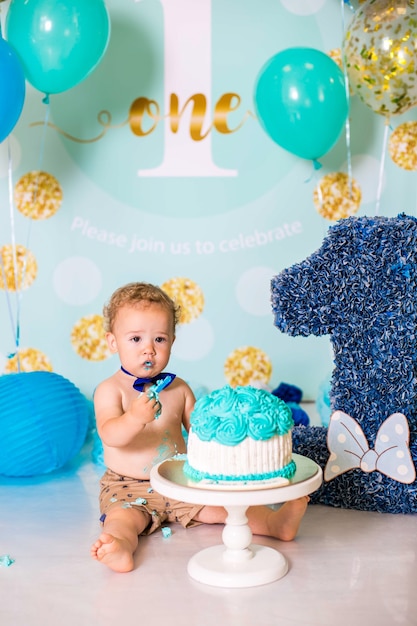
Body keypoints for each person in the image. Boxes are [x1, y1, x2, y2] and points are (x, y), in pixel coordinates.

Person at [90, 282, 309, 572]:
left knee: (223, 510)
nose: (149, 350)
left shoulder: (179, 389)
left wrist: (228, 430)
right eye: (135, 339)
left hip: (176, 478)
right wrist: (133, 418)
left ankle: (274, 523)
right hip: (128, 485)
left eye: (159, 339)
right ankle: (119, 546)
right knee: (124, 519)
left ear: (172, 341)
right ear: (112, 342)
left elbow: (200, 431)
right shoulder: (110, 390)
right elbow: (110, 434)